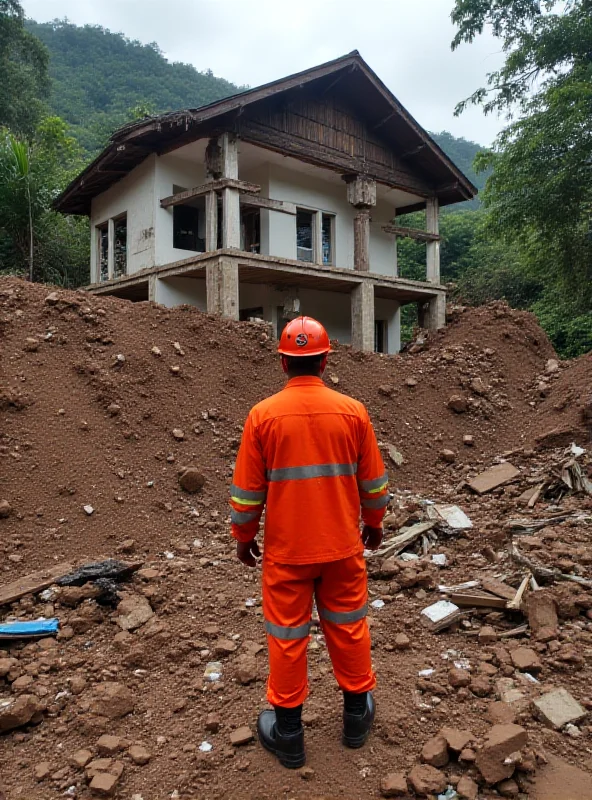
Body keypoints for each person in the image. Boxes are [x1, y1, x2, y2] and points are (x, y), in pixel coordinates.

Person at [229, 316, 389, 769]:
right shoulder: (353, 411)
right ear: (324, 361)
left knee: (286, 638)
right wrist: (374, 523)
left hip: (286, 554)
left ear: (283, 363)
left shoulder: (263, 416)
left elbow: (246, 494)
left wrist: (243, 537)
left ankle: (289, 735)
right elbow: (374, 484)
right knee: (349, 627)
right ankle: (357, 720)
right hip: (342, 547)